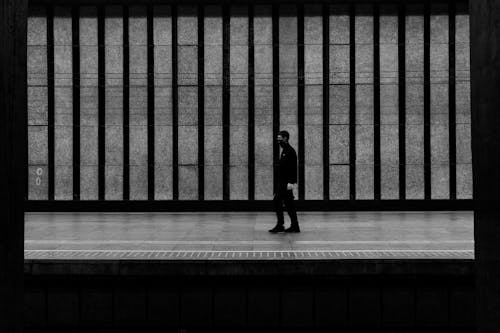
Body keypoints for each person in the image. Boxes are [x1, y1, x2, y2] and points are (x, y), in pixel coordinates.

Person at [269, 130, 300, 233]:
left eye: (280, 138)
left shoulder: (290, 151)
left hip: (286, 183)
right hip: (283, 182)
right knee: (288, 204)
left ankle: (281, 225)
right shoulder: (285, 150)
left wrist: (291, 182)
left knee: (278, 201)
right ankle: (294, 225)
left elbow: (293, 167)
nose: (278, 141)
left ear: (285, 138)